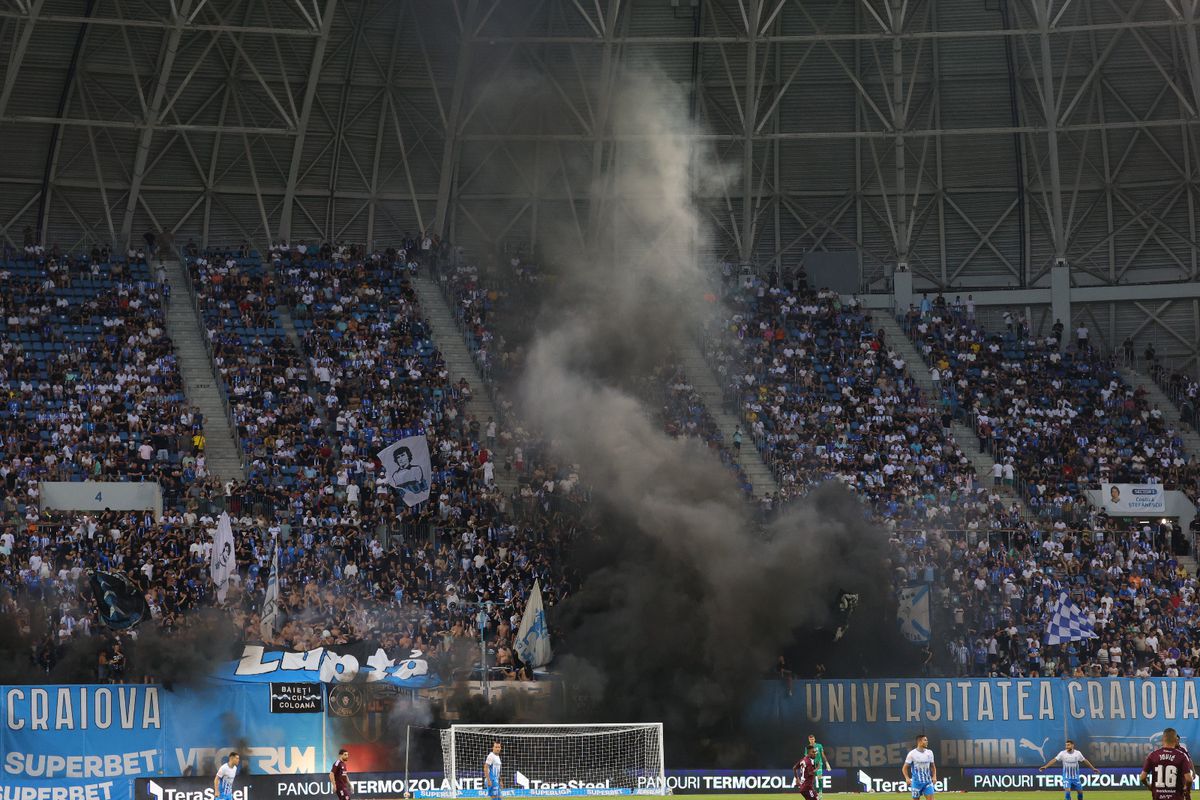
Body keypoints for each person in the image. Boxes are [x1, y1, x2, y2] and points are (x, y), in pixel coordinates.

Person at [1141, 728, 1193, 800]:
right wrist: (1187, 790)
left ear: (1162, 740)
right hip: (1176, 797)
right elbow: (1189, 779)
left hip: (1158, 796)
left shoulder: (1153, 755)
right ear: (1176, 740)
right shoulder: (1182, 756)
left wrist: (1149, 786)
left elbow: (1142, 777)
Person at [903, 735, 937, 800]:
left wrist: (934, 776)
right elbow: (904, 768)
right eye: (925, 740)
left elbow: (933, 766)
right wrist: (907, 778)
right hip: (916, 783)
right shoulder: (912, 754)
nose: (927, 741)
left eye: (927, 740)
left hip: (928, 782)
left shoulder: (929, 753)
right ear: (919, 741)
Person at [807, 734, 829, 798]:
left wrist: (827, 763)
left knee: (820, 778)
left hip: (819, 764)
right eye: (810, 739)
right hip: (811, 765)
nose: (812, 741)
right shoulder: (808, 748)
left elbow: (823, 754)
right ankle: (814, 794)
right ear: (809, 740)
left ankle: (820, 793)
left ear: (815, 739)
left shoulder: (819, 746)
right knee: (811, 780)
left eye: (813, 739)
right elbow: (806, 757)